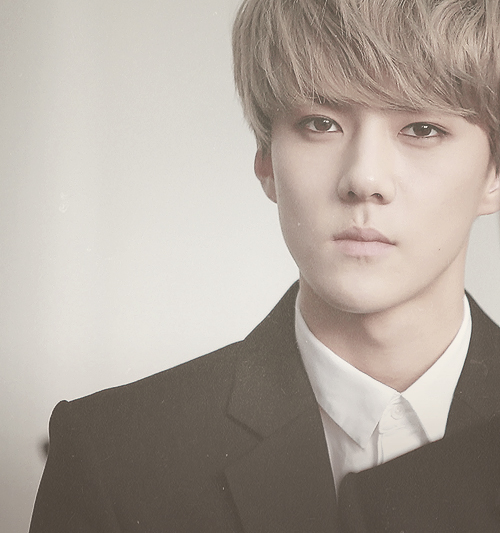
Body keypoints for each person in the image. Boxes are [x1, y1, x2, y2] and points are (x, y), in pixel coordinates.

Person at [29, 0, 500, 531]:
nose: (364, 178)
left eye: (422, 129)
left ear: (494, 172)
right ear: (265, 160)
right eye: (320, 123)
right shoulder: (113, 453)